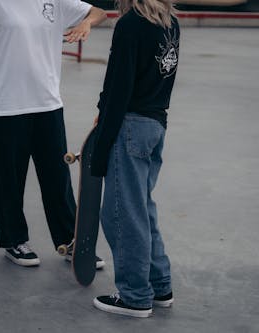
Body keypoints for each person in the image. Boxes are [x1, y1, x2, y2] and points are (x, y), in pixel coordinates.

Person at [0, 0, 107, 267]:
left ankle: (70, 241)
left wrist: (86, 23)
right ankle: (14, 241)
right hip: (7, 106)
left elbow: (99, 12)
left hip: (48, 104)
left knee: (57, 178)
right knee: (9, 179)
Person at [90, 0, 180, 318]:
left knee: (121, 215)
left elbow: (119, 87)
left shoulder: (131, 25)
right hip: (155, 125)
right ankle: (159, 285)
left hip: (129, 127)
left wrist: (100, 148)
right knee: (142, 208)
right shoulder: (169, 23)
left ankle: (135, 295)